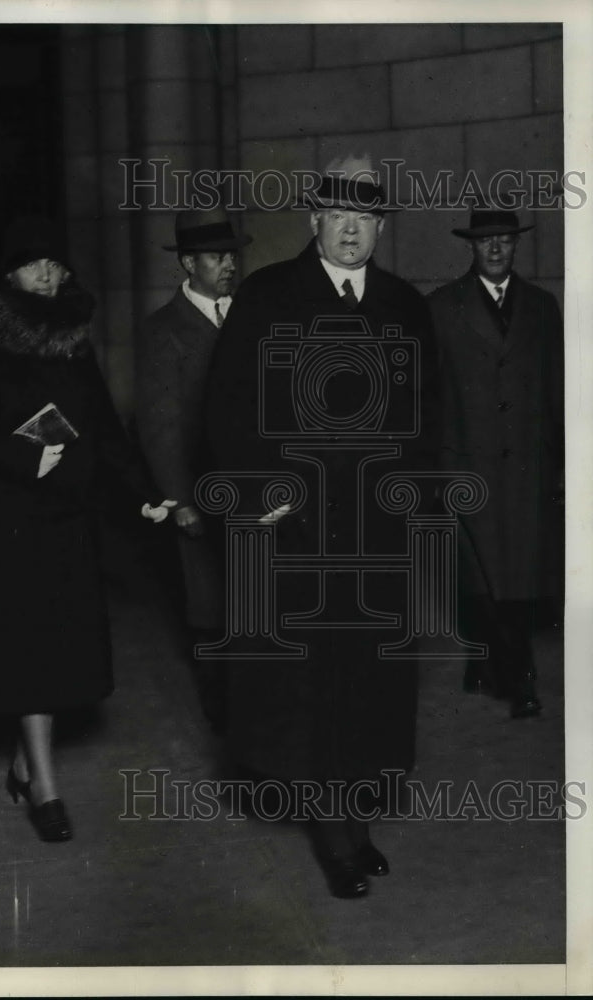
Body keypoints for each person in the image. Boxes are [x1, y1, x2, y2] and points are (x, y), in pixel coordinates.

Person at [206, 154, 440, 898]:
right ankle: (334, 830)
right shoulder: (270, 297)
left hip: (376, 532)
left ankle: (356, 814)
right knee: (312, 686)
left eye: (364, 217)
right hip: (298, 531)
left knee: (367, 682)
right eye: (337, 215)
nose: (350, 229)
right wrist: (262, 496)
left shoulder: (405, 304)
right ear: (313, 222)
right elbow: (226, 413)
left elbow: (430, 420)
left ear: (381, 225)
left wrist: (418, 503)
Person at [0, 216, 170, 842]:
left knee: (60, 648)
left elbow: (98, 419)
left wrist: (145, 495)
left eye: (54, 263)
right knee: (25, 649)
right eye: (33, 262)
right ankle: (44, 787)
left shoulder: (71, 328)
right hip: (8, 510)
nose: (47, 274)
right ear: (8, 271)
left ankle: (25, 763)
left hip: (67, 514)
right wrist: (26, 458)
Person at [428, 210, 564, 719]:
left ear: (516, 245)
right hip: (468, 465)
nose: (496, 249)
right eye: (487, 241)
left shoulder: (543, 307)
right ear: (471, 247)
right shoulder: (441, 307)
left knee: (519, 579)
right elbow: (431, 396)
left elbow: (557, 389)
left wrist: (564, 461)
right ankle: (519, 677)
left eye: (505, 240)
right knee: (483, 579)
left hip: (528, 467)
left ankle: (491, 664)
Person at [136, 207, 252, 732]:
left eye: (231, 255)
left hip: (252, 492)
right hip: (200, 495)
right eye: (215, 256)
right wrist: (179, 500)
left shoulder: (252, 314)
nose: (228, 264)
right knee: (209, 609)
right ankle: (222, 716)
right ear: (188, 263)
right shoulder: (164, 331)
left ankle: (255, 711)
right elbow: (159, 426)